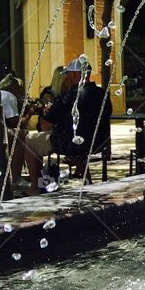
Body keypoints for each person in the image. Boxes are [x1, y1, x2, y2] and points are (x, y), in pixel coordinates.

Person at [23, 59, 110, 194]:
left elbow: (45, 126)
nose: (66, 78)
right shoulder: (103, 93)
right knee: (80, 140)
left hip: (70, 143)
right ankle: (86, 178)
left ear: (75, 75)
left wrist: (46, 114)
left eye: (67, 74)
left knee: (30, 140)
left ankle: (35, 187)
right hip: (99, 141)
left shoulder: (68, 96)